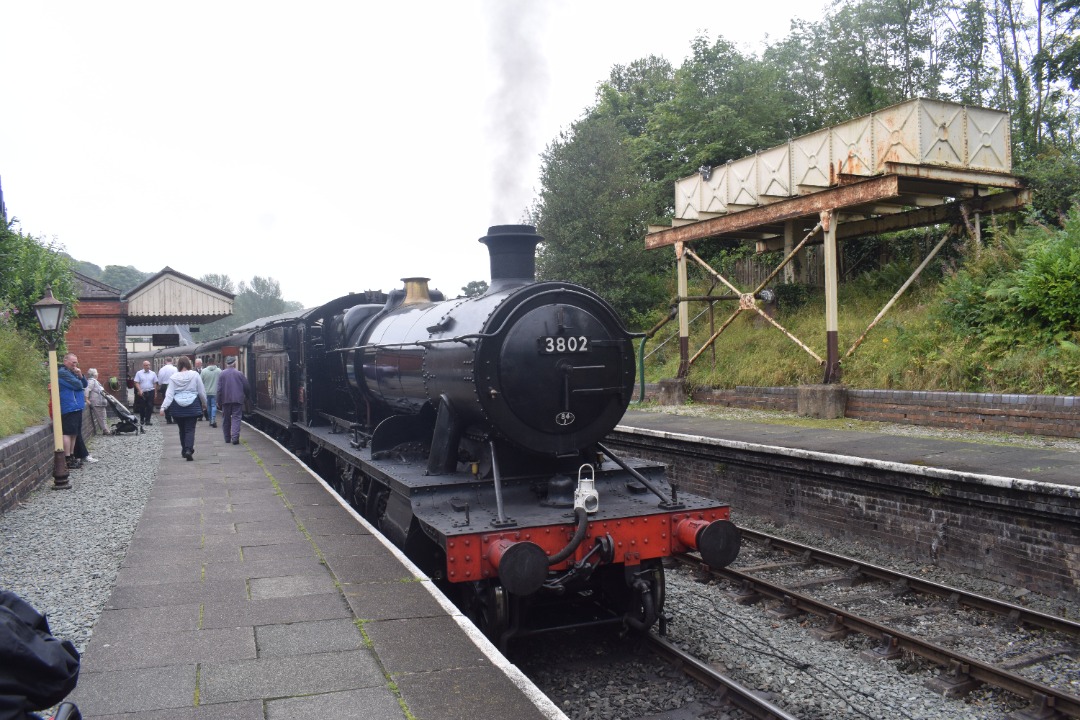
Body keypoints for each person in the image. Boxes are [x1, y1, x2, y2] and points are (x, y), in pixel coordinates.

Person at [159, 357, 208, 461]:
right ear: (189, 364)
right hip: (192, 405)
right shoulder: (195, 375)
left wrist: (163, 407)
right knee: (190, 429)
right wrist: (204, 403)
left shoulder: (173, 377)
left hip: (177, 407)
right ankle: (188, 450)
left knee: (182, 430)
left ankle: (184, 450)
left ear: (178, 365)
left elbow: (169, 394)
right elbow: (201, 391)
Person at [56, 353, 88, 469]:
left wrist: (80, 375)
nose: (75, 365)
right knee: (68, 433)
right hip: (69, 406)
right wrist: (79, 380)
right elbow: (79, 386)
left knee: (74, 433)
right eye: (72, 362)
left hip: (76, 406)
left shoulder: (72, 372)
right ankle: (67, 458)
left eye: (76, 362)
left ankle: (72, 455)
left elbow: (85, 384)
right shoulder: (62, 373)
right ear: (65, 361)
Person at [217, 356, 250, 445]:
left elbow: (219, 389)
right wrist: (247, 396)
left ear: (226, 364)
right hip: (237, 400)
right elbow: (246, 386)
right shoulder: (239, 374)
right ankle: (235, 438)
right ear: (234, 363)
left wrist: (218, 401)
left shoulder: (222, 374)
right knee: (236, 418)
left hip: (225, 400)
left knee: (226, 419)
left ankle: (227, 438)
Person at [132, 360, 158, 426]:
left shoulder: (153, 373)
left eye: (149, 365)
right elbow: (136, 382)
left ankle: (148, 420)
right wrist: (139, 390)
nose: (148, 366)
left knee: (150, 406)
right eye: (146, 365)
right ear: (143, 366)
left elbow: (155, 383)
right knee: (142, 406)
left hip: (150, 390)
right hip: (142, 391)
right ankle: (142, 419)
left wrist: (155, 392)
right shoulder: (139, 373)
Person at [84, 368, 110, 436]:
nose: (98, 374)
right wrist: (86, 399)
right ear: (94, 374)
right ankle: (105, 430)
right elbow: (87, 390)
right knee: (101, 417)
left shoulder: (95, 381)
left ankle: (106, 429)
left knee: (103, 416)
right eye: (97, 373)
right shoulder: (91, 381)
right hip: (96, 402)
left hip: (100, 402)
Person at [200, 359, 222, 428]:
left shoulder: (203, 371)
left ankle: (210, 420)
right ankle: (213, 419)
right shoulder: (219, 371)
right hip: (215, 392)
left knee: (208, 406)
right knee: (214, 405)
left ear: (208, 363)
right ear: (214, 362)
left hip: (206, 392)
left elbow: (201, 382)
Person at [156, 358, 177, 424]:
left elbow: (159, 379)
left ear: (165, 361)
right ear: (172, 361)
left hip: (164, 386)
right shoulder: (175, 369)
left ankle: (168, 419)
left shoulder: (162, 369)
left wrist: (160, 384)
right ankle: (175, 418)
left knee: (166, 401)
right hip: (173, 385)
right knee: (174, 402)